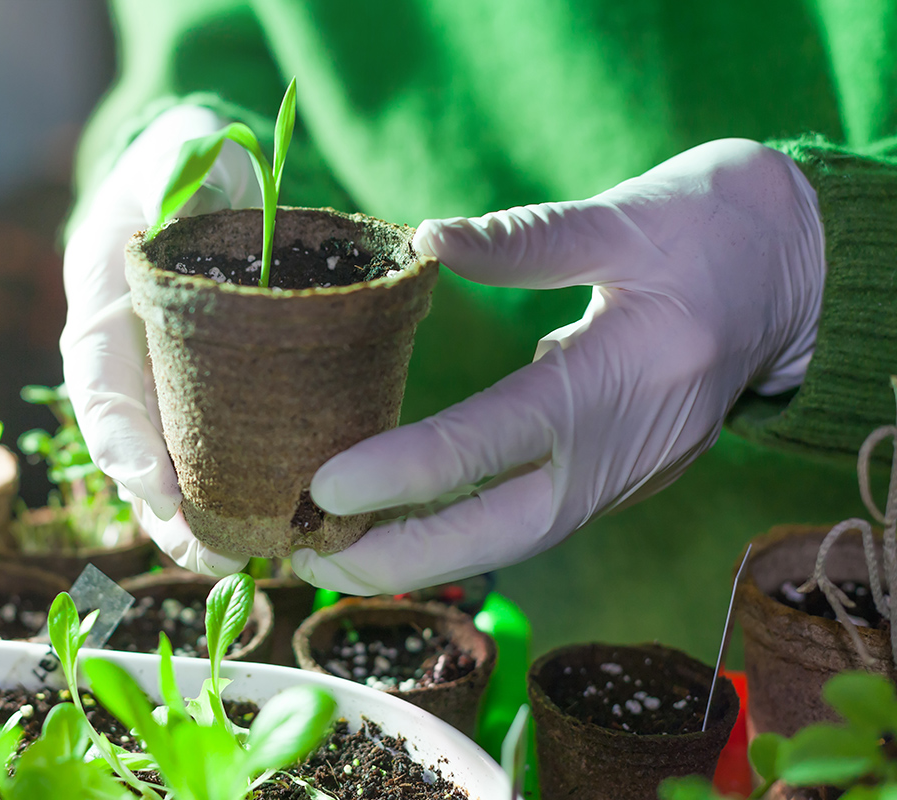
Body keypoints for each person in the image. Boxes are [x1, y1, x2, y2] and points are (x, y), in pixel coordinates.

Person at [60, 1, 897, 660]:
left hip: (804, 576)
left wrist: (822, 261)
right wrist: (165, 132)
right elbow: (206, 33)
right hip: (360, 473)